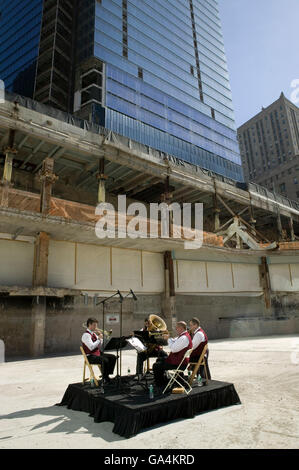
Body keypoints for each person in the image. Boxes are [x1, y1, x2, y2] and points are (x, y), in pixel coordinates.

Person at [153, 321, 192, 388]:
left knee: (156, 366)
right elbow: (174, 340)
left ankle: (160, 385)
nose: (175, 329)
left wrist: (168, 339)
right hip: (179, 360)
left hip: (179, 363)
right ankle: (163, 380)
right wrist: (169, 337)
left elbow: (173, 349)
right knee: (159, 359)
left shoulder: (183, 338)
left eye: (177, 327)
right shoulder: (183, 335)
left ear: (181, 328)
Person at [81, 317, 117, 384]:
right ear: (89, 325)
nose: (96, 327)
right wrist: (98, 339)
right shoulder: (86, 335)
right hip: (90, 356)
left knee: (113, 357)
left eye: (96, 325)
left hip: (97, 353)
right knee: (105, 360)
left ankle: (106, 375)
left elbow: (99, 346)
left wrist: (101, 338)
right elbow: (91, 347)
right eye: (94, 325)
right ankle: (105, 378)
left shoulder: (94, 334)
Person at [189, 317, 211, 382]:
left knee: (180, 359)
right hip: (199, 355)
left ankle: (180, 379)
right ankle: (199, 380)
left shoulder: (198, 334)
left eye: (191, 325)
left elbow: (191, 347)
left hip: (198, 357)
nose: (190, 327)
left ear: (195, 325)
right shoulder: (198, 332)